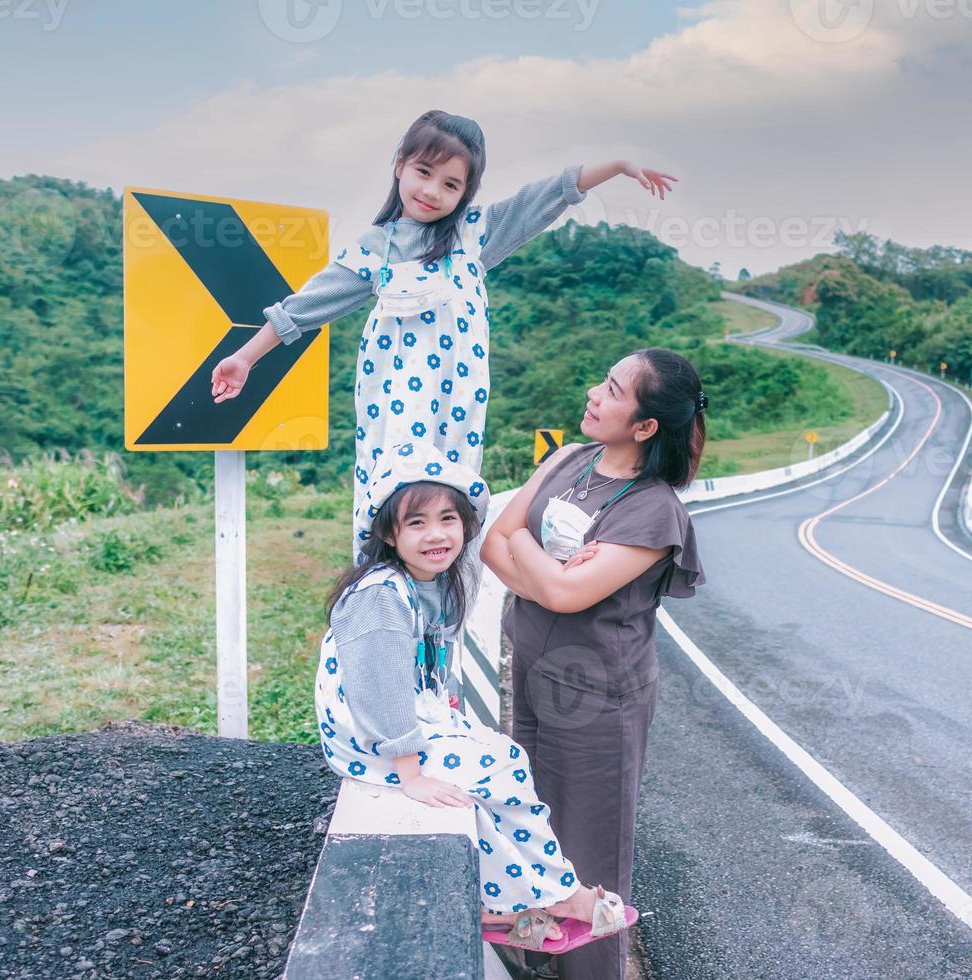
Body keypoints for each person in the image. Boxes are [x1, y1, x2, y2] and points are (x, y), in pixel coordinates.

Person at [209, 108, 678, 554]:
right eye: (424, 172)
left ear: (466, 192)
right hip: (395, 406)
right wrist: (245, 357)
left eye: (451, 184)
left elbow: (546, 195)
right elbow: (307, 307)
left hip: (459, 408)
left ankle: (439, 626)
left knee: (448, 512)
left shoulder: (475, 236)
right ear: (399, 166)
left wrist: (617, 165)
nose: (433, 191)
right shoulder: (378, 249)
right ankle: (376, 600)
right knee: (398, 505)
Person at [314, 440, 635, 953]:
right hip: (371, 733)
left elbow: (512, 565)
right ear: (388, 534)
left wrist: (570, 559)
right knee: (495, 767)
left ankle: (517, 899)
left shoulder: (436, 578)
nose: (436, 535)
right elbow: (375, 690)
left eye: (448, 519)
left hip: (410, 715)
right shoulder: (380, 594)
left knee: (503, 759)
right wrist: (410, 773)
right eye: (415, 524)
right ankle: (558, 896)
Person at [480, 348, 706, 980]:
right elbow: (493, 547)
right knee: (530, 831)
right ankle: (530, 961)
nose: (593, 393)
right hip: (531, 671)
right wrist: (543, 569)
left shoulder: (655, 510)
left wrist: (528, 549)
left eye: (612, 389)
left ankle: (594, 973)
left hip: (598, 693)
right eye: (603, 380)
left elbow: (554, 584)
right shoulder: (569, 459)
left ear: (645, 427)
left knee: (593, 852)